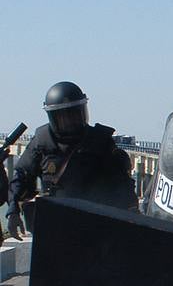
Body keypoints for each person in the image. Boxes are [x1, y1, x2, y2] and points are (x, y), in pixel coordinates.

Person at [6, 82, 138, 236]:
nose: (69, 122)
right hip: (55, 222)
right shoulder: (42, 141)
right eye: (63, 118)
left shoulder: (100, 141)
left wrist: (131, 215)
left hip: (96, 222)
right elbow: (21, 176)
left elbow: (122, 185)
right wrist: (13, 211)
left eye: (74, 115)